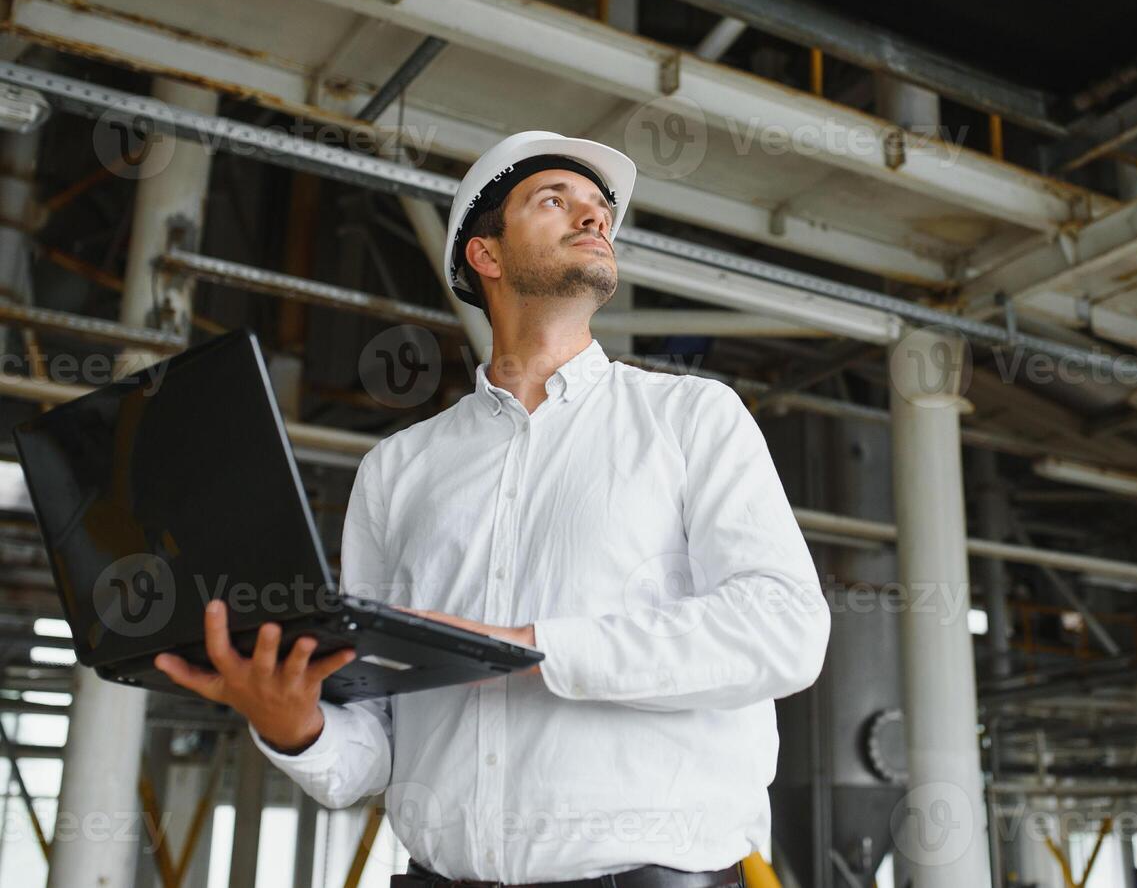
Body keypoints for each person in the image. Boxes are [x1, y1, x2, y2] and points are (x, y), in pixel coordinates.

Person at [154, 131, 831, 887]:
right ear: (486, 254)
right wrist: (293, 727)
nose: (593, 218)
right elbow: (374, 744)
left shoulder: (692, 417)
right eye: (555, 200)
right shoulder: (399, 470)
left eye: (600, 209)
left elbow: (784, 631)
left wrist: (526, 646)